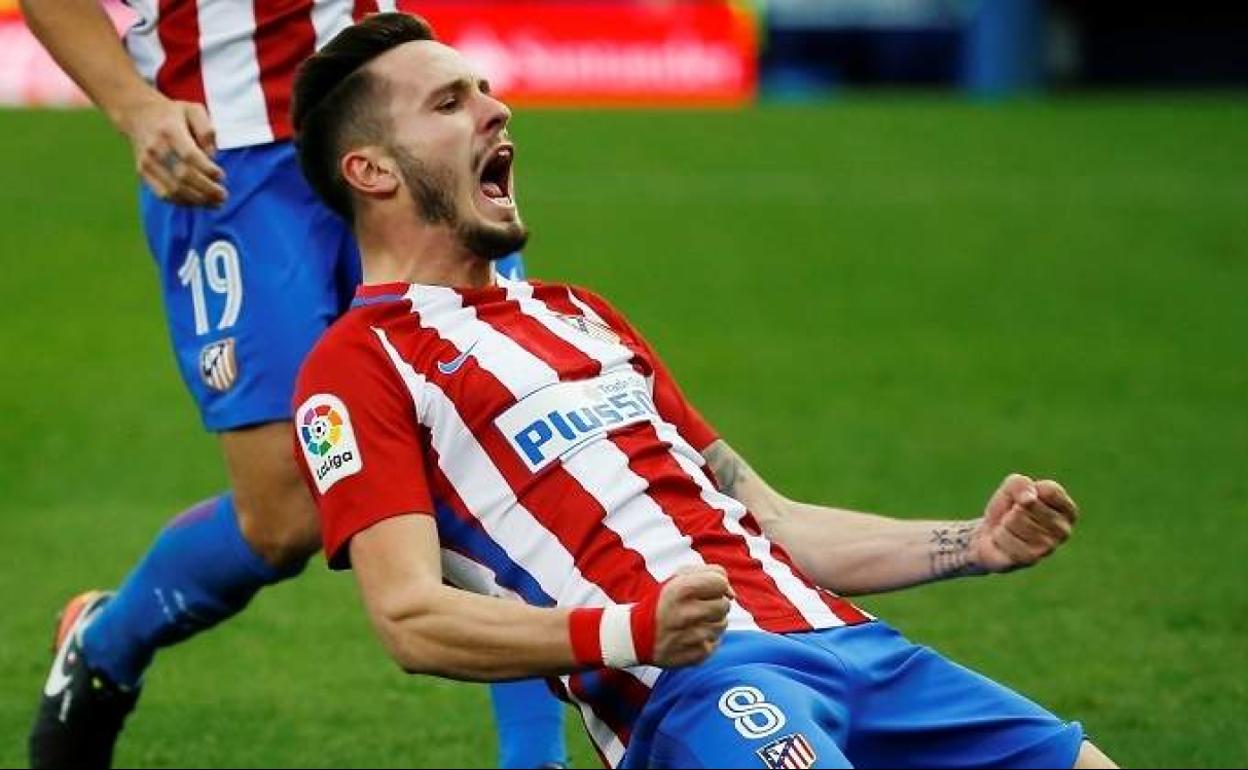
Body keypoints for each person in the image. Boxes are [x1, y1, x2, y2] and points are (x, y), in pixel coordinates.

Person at [287, 12, 1119, 770]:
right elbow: (409, 617)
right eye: (448, 104)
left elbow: (774, 521)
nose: (495, 110)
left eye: (485, 89)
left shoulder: (578, 312)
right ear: (372, 171)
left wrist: (971, 542)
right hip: (704, 690)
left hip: (862, 650)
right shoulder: (357, 366)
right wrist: (631, 633)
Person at [22, 0, 566, 767]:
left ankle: (536, 757)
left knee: (486, 441)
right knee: (285, 517)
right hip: (228, 158)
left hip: (397, 121)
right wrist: (135, 107)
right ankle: (104, 643)